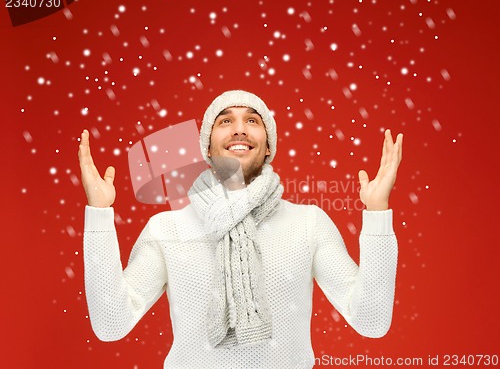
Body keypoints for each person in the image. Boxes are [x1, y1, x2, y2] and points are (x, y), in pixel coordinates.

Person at [79, 90, 403, 369]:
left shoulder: (308, 224)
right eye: (225, 121)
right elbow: (111, 324)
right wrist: (99, 213)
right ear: (207, 147)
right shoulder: (167, 228)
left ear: (267, 147)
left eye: (252, 120)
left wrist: (377, 212)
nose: (238, 130)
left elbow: (370, 322)